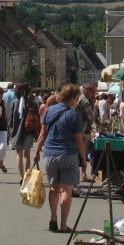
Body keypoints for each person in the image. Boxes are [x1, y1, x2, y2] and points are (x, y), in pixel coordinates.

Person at [33, 84, 87, 234]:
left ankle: (53, 217)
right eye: (76, 98)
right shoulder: (74, 115)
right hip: (68, 154)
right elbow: (79, 139)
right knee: (67, 190)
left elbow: (42, 133)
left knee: (53, 187)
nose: (77, 101)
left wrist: (37, 151)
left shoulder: (49, 110)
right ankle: (63, 225)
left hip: (49, 154)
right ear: (72, 98)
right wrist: (83, 159)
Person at [11, 83, 40, 178]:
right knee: (27, 154)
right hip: (29, 130)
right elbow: (37, 117)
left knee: (19, 154)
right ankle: (27, 176)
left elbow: (12, 120)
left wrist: (11, 130)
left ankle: (21, 176)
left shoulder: (15, 102)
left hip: (17, 131)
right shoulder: (32, 102)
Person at [76, 83, 98, 182]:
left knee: (80, 155)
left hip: (79, 130)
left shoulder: (80, 97)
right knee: (79, 155)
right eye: (94, 92)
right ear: (87, 90)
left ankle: (82, 175)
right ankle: (74, 184)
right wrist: (93, 104)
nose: (94, 95)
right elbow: (91, 118)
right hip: (78, 132)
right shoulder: (84, 101)